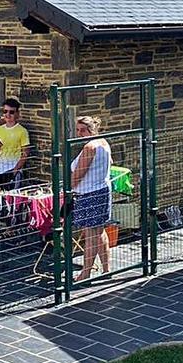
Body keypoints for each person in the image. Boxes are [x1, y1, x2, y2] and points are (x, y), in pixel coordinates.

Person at [70, 115, 112, 280]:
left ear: (91, 129)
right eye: (78, 130)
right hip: (102, 189)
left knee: (90, 234)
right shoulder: (104, 142)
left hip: (89, 193)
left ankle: (85, 274)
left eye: (83, 130)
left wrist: (67, 190)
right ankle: (107, 270)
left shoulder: (90, 147)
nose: (80, 134)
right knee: (99, 230)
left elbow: (79, 174)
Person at [0, 98, 30, 191]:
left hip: (12, 169)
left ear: (17, 113)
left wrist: (15, 170)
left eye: (11, 112)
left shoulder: (22, 131)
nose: (8, 115)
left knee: (12, 201)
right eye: (5, 111)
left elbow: (26, 153)